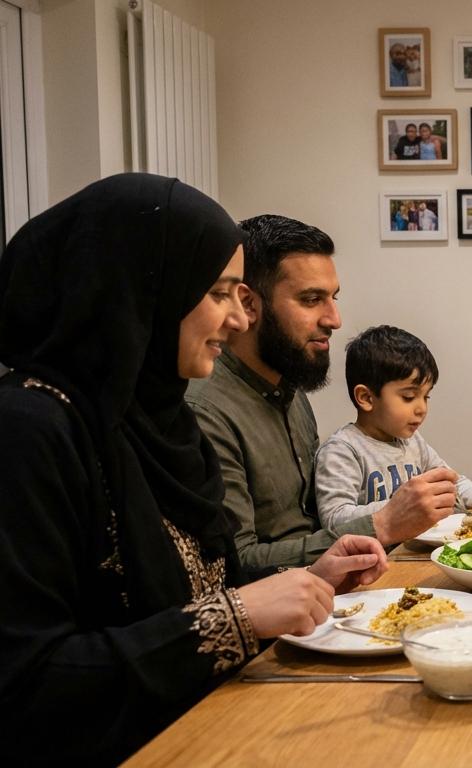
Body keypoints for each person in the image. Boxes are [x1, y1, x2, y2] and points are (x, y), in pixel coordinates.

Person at [0, 174, 389, 763]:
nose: (238, 320)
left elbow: (208, 588)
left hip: (211, 724)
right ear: (141, 289)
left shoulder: (161, 421)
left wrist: (316, 576)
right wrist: (238, 616)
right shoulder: (30, 429)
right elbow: (26, 683)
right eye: (219, 293)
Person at [187, 215, 459, 571]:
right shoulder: (206, 411)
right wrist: (382, 524)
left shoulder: (291, 387)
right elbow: (234, 564)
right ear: (249, 304)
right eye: (312, 299)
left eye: (333, 298)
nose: (334, 319)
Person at [316, 326, 472, 529]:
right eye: (408, 397)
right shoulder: (343, 450)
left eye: (426, 396)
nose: (422, 408)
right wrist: (399, 508)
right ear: (366, 398)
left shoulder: (412, 441)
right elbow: (334, 519)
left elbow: (450, 481)